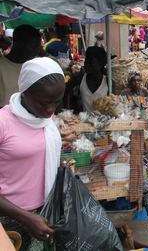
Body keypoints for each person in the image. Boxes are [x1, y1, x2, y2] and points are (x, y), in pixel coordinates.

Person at [0, 57, 65, 250]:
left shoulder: (45, 119)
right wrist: (25, 217)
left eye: (56, 102)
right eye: (44, 103)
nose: (51, 110)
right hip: (10, 219)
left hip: (45, 212)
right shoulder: (4, 123)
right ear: (25, 91)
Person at [0, 25, 43, 108]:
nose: (38, 51)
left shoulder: (34, 67)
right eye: (34, 47)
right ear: (19, 44)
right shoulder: (1, 67)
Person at [64, 46, 115, 113]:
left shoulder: (109, 83)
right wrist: (67, 112)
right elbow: (65, 90)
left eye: (91, 61)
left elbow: (112, 105)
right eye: (86, 61)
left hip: (103, 121)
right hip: (84, 121)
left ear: (100, 64)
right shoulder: (80, 79)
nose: (87, 64)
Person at [121, 71, 148, 151]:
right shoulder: (125, 93)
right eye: (134, 81)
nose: (136, 82)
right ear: (130, 83)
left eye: (138, 80)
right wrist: (135, 115)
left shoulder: (144, 91)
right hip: (131, 117)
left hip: (145, 116)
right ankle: (138, 151)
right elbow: (124, 107)